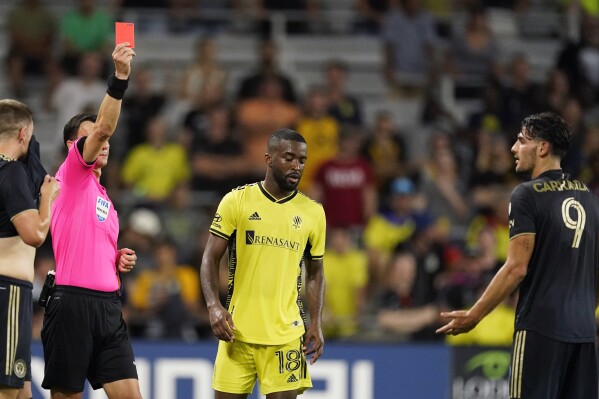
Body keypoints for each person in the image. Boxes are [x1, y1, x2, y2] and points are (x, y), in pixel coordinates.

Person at [437, 112, 599, 399]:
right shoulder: (587, 196)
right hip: (584, 333)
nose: (514, 148)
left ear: (542, 148)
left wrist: (475, 315)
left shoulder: (527, 195)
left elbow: (516, 268)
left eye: (522, 141)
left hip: (541, 329)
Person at [40, 43, 141, 399]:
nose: (105, 138)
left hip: (109, 308)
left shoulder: (105, 199)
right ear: (73, 144)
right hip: (72, 305)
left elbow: (87, 244)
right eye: (94, 133)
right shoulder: (71, 175)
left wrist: (115, 258)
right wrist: (121, 77)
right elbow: (103, 128)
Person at [200, 128, 326, 398]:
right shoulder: (237, 201)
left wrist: (315, 322)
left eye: (302, 160)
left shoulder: (314, 213)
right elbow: (210, 257)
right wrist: (213, 306)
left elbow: (316, 272)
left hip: (287, 335)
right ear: (269, 159)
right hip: (237, 332)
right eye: (289, 158)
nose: (296, 166)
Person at [0, 99, 59, 399]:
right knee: (8, 391)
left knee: (23, 391)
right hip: (7, 291)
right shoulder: (10, 172)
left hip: (11, 292)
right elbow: (34, 234)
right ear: (23, 134)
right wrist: (46, 197)